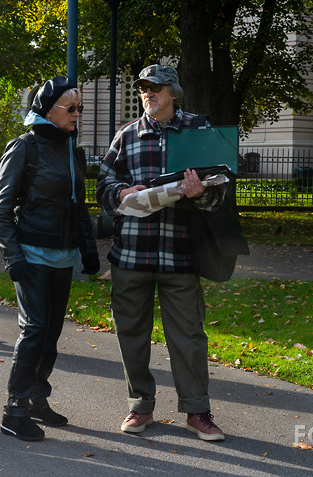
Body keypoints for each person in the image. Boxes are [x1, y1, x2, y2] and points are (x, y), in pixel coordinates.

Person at [96, 64, 228, 441]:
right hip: (131, 256)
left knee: (188, 336)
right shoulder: (126, 135)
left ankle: (197, 411)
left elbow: (221, 192)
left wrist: (201, 193)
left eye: (155, 88)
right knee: (131, 335)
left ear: (173, 92)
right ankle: (140, 407)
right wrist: (121, 192)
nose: (148, 94)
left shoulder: (198, 132)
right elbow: (103, 186)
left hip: (180, 254)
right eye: (143, 89)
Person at [0, 76, 99, 441]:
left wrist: (88, 249)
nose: (77, 114)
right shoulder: (25, 147)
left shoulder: (70, 148)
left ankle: (37, 398)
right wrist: (12, 257)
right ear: (47, 111)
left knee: (51, 332)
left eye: (80, 108)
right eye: (72, 109)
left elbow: (78, 204)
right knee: (35, 329)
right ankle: (14, 410)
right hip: (32, 255)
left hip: (63, 256)